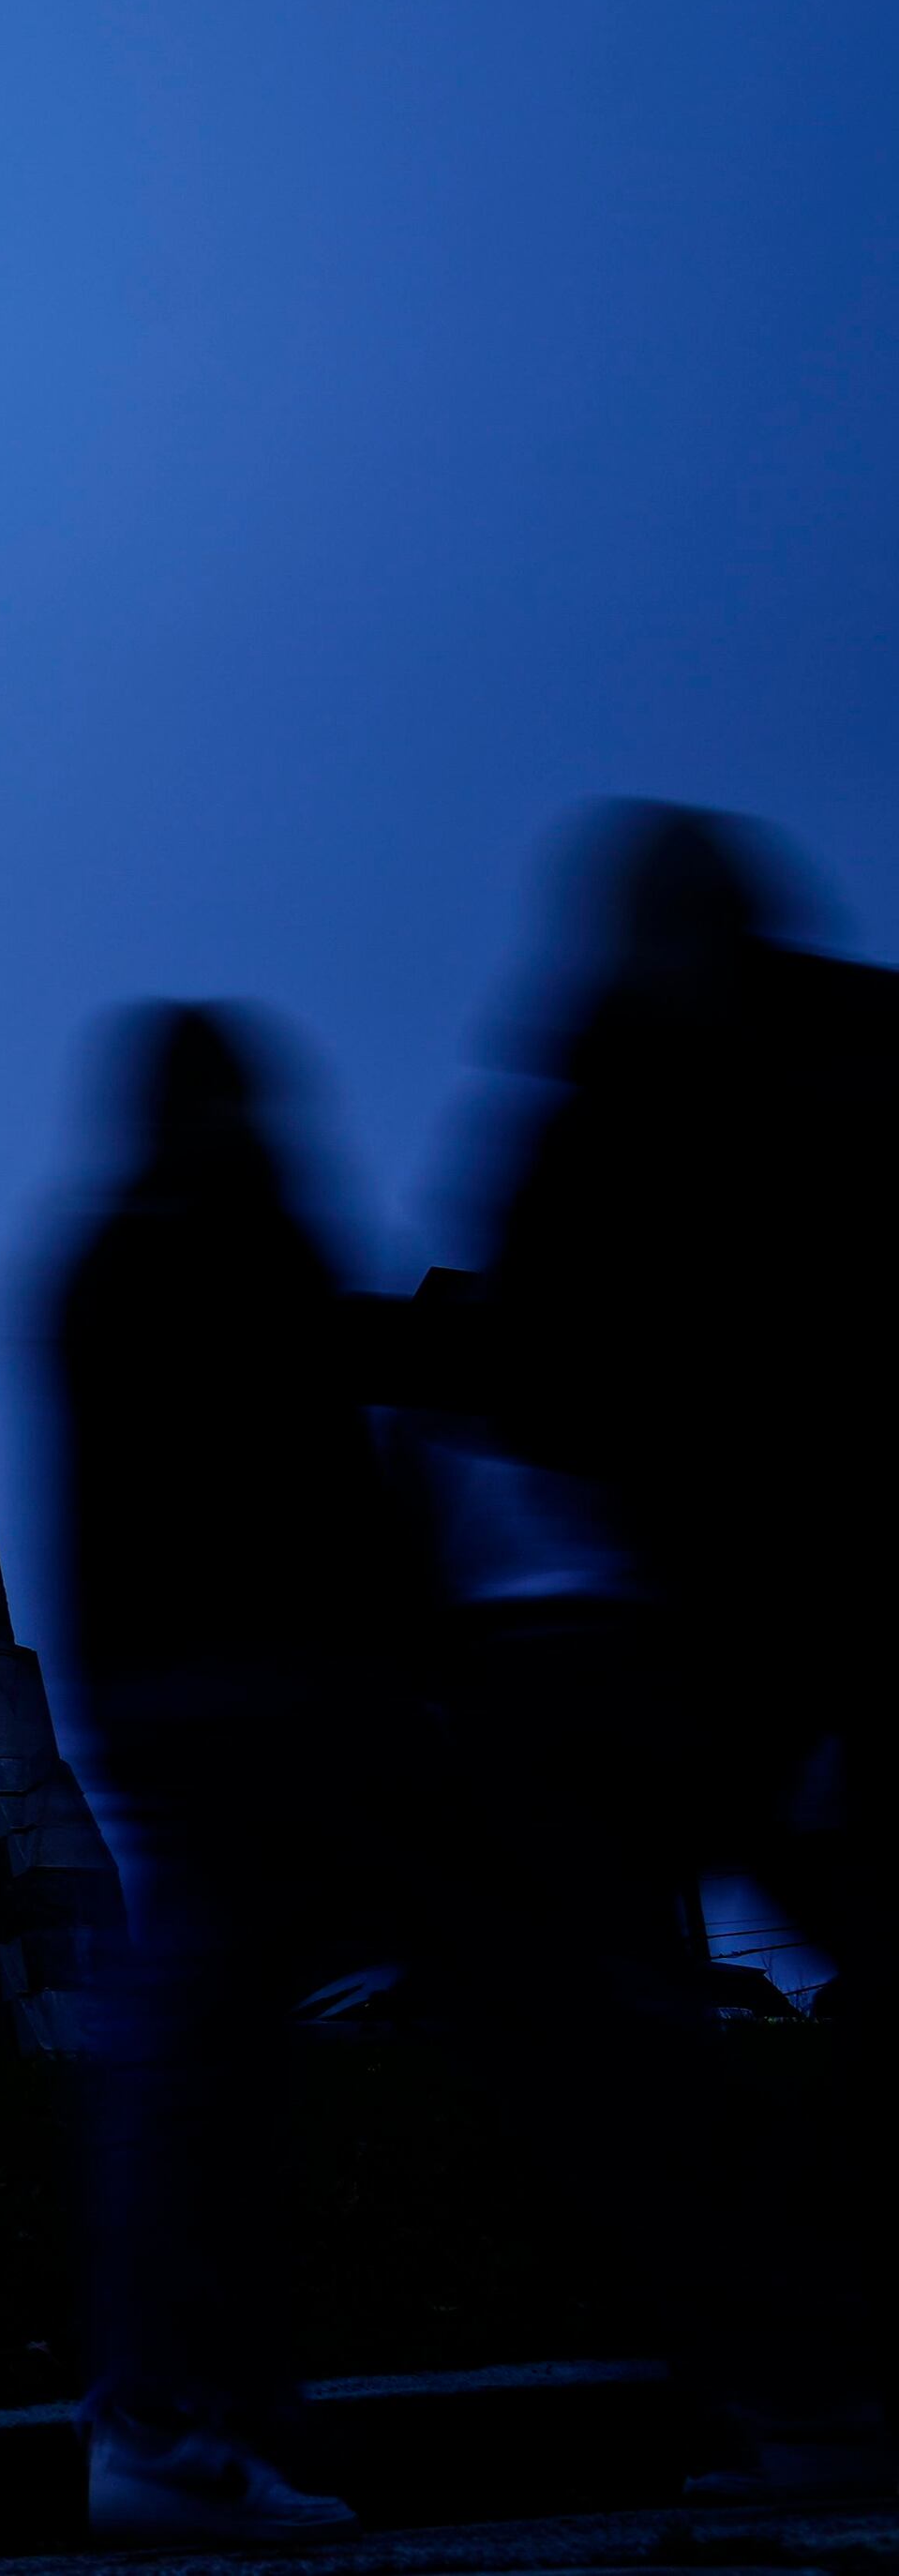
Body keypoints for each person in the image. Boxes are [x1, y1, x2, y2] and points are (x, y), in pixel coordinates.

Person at [477, 808, 895, 2485]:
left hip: (768, 1621)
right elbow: (537, 1373)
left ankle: (798, 2360)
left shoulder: (640, 1100)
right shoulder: (605, 1108)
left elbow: (537, 1372)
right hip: (724, 1637)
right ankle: (795, 2363)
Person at [49, 1007, 424, 2544]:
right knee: (205, 2073)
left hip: (232, 1708)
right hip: (246, 1707)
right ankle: (165, 2418)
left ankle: (218, 2413)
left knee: (223, 2079)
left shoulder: (160, 1250)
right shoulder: (197, 1251)